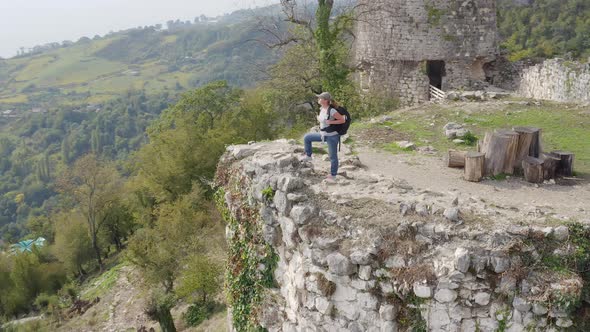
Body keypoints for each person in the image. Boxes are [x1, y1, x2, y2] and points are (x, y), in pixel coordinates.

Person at [303, 92, 346, 181]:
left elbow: (342, 120)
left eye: (320, 98)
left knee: (332, 156)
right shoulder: (322, 108)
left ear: (325, 100)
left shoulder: (332, 110)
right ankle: (308, 156)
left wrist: (330, 122)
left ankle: (333, 175)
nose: (318, 99)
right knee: (307, 137)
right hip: (323, 134)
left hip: (332, 136)